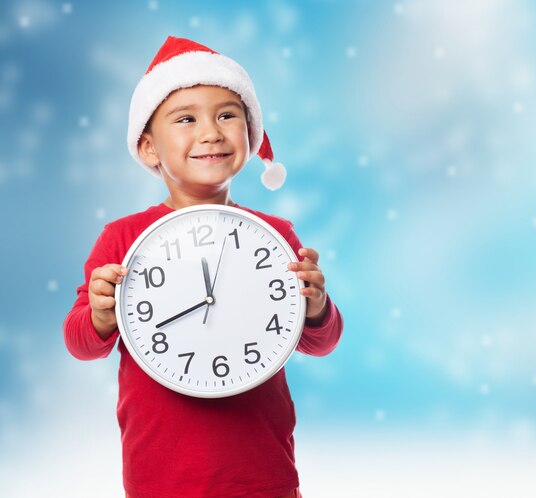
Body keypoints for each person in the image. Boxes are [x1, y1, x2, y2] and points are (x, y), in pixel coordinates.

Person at [63, 36, 343, 498]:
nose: (211, 131)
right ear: (150, 148)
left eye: (227, 115)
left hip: (262, 473)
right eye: (187, 118)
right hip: (161, 477)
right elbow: (81, 344)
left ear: (250, 138)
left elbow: (321, 341)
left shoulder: (276, 237)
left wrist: (317, 306)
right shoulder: (122, 238)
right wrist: (98, 315)